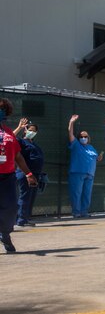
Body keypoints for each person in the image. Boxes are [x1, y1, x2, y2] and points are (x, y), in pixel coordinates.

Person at [0, 98, 38, 252]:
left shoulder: (8, 132)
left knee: (11, 207)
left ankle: (4, 234)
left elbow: (18, 156)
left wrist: (28, 173)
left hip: (8, 177)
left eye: (2, 109)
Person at [67, 115, 102, 218]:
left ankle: (84, 212)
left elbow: (95, 158)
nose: (83, 138)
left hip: (90, 174)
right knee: (76, 193)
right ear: (78, 138)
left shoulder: (91, 147)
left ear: (88, 138)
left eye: (85, 136)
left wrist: (98, 158)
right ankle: (76, 212)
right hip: (77, 173)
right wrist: (71, 122)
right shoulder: (76, 144)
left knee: (87, 194)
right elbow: (70, 133)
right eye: (81, 136)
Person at [13, 118, 44, 227]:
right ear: (25, 130)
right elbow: (10, 137)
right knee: (25, 196)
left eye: (34, 131)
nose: (32, 132)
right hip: (25, 173)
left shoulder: (34, 144)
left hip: (35, 174)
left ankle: (25, 218)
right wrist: (19, 127)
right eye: (30, 129)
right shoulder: (21, 141)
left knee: (31, 196)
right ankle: (20, 220)